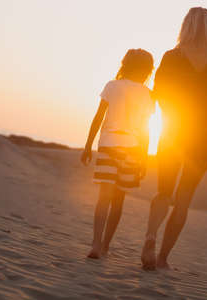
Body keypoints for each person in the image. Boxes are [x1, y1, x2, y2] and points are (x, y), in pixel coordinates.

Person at [141, 7, 207, 270]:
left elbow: (158, 93)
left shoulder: (171, 57)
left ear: (185, 27)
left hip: (173, 132)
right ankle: (162, 258)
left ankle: (150, 236)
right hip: (205, 136)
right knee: (183, 199)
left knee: (163, 192)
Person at [81, 49, 155, 259]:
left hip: (108, 145)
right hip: (132, 148)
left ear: (125, 64)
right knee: (119, 200)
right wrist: (143, 158)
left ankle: (95, 243)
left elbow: (98, 118)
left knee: (104, 197)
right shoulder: (148, 94)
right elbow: (144, 129)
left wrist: (88, 146)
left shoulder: (112, 86)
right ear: (148, 70)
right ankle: (105, 247)